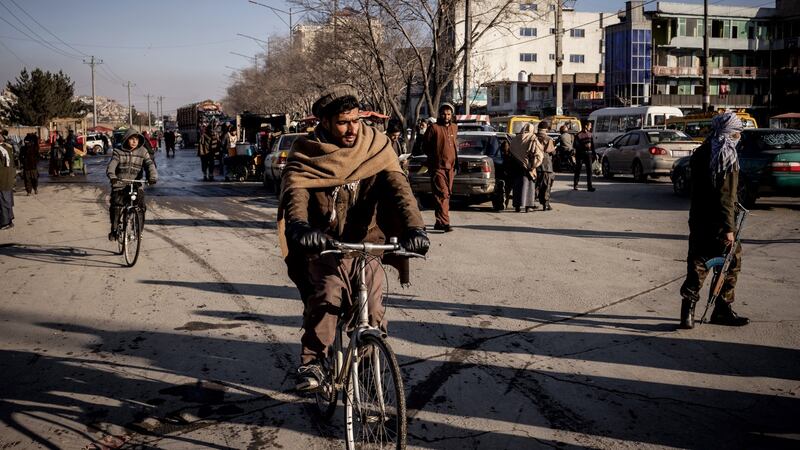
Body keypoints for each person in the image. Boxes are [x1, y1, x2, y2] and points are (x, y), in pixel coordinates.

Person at [278, 84, 429, 390]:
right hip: (325, 245)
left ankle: (368, 365)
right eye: (343, 122)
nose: (351, 129)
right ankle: (314, 362)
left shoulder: (377, 146)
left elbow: (401, 190)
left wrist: (416, 228)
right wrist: (299, 226)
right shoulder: (308, 152)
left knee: (373, 310)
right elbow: (295, 193)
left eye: (355, 120)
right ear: (325, 122)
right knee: (327, 296)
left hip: (365, 243)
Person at [679, 112, 748, 329]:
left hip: (699, 218)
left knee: (698, 263)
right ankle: (722, 309)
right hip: (720, 222)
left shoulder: (701, 153)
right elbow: (726, 197)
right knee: (730, 264)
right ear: (729, 133)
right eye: (737, 133)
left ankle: (687, 313)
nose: (739, 136)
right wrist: (729, 228)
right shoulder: (727, 155)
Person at [106, 128, 157, 241]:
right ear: (126, 139)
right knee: (116, 206)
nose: (134, 142)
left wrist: (152, 177)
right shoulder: (118, 151)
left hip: (136, 184)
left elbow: (150, 165)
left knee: (140, 207)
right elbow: (112, 166)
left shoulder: (143, 151)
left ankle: (139, 231)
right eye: (132, 139)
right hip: (119, 183)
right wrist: (113, 177)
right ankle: (114, 229)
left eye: (136, 139)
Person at [423, 103, 458, 232]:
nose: (446, 116)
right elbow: (425, 146)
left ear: (451, 115)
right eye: (443, 113)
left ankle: (439, 221)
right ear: (439, 114)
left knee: (445, 195)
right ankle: (445, 222)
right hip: (438, 167)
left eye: (448, 114)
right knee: (442, 193)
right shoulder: (434, 128)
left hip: (451, 168)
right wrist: (435, 156)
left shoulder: (454, 128)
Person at [509, 123, 542, 212]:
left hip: (516, 165)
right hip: (528, 166)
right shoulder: (532, 138)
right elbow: (538, 153)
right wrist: (534, 165)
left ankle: (517, 206)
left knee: (517, 186)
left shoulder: (515, 139)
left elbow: (511, 150)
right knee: (529, 186)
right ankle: (528, 206)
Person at [535, 122, 556, 211]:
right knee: (546, 185)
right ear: (546, 129)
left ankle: (531, 203)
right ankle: (545, 204)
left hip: (535, 164)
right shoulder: (548, 139)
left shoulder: (534, 137)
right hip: (546, 165)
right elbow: (551, 151)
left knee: (536, 185)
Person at [573, 120, 596, 192]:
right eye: (590, 125)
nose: (591, 127)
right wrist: (584, 146)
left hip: (588, 154)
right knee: (578, 170)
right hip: (580, 154)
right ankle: (575, 185)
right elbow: (575, 145)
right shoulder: (578, 135)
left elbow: (592, 146)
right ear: (586, 126)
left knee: (589, 171)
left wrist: (594, 154)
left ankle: (590, 186)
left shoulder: (590, 134)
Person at [0, 131, 16, 230]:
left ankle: (5, 222)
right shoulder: (8, 148)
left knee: (3, 202)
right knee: (7, 200)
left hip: (2, 178)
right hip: (9, 178)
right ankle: (9, 219)